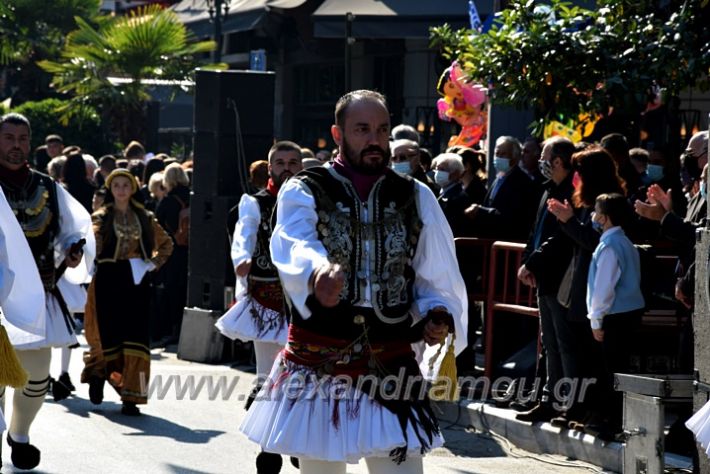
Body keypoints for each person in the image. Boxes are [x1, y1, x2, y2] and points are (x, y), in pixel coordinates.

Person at [240, 90, 468, 474]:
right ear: (337, 133)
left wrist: (436, 313)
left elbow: (435, 272)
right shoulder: (306, 188)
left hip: (391, 360)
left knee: (402, 469)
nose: (375, 139)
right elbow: (294, 241)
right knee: (322, 471)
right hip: (319, 361)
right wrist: (316, 273)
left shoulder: (414, 195)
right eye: (362, 129)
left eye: (382, 129)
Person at [0, 113, 95, 470]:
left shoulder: (47, 186)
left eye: (22, 138)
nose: (15, 145)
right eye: (8, 138)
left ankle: (19, 434)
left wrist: (72, 250)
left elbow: (72, 228)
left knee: (37, 377)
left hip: (39, 295)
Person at [216, 140, 303, 473]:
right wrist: (242, 259)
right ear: (270, 169)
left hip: (305, 304)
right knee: (269, 378)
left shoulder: (312, 202)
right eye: (280, 162)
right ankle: (269, 448)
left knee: (301, 377)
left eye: (293, 162)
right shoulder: (255, 202)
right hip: (267, 300)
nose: (287, 168)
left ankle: (294, 440)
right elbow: (244, 232)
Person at [89, 169, 173, 415]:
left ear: (133, 188)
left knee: (136, 339)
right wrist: (91, 244)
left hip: (136, 282)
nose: (122, 189)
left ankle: (133, 396)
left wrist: (151, 264)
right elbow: (92, 240)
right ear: (111, 189)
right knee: (108, 335)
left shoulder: (145, 217)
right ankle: (101, 374)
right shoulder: (101, 217)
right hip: (108, 281)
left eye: (126, 185)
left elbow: (166, 244)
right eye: (117, 185)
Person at [516, 136, 578, 424]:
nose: (541, 162)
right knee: (548, 342)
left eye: (545, 157)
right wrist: (528, 261)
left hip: (561, 277)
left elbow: (561, 238)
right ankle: (550, 399)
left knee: (565, 342)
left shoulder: (571, 192)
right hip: (544, 277)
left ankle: (569, 402)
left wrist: (535, 261)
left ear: (558, 161)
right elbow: (536, 231)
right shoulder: (547, 190)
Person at [586, 193, 644, 439]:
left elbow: (603, 289)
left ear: (605, 216)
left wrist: (596, 319)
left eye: (597, 210)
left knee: (612, 372)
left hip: (615, 316)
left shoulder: (610, 246)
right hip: (630, 313)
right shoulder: (625, 242)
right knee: (620, 370)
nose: (593, 215)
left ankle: (612, 423)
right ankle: (615, 421)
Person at [463, 135, 541, 241]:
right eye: (497, 153)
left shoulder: (522, 183)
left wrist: (481, 211)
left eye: (503, 154)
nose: (498, 157)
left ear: (515, 157)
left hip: (507, 244)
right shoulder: (499, 178)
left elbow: (514, 218)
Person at [156, 163, 191, 342]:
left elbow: (157, 225)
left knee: (172, 291)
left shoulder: (168, 200)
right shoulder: (193, 196)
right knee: (186, 290)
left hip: (172, 251)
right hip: (192, 251)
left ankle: (174, 330)